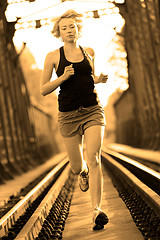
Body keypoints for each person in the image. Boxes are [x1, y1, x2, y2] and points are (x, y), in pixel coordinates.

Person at [41, 9, 109, 230]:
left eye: (72, 26)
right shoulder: (52, 56)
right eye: (64, 28)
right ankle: (83, 172)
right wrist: (62, 77)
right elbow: (43, 89)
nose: (69, 30)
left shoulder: (89, 52)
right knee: (77, 165)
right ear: (58, 33)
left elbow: (90, 77)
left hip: (92, 109)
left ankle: (96, 210)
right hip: (68, 115)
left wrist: (99, 79)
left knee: (94, 156)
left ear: (78, 29)